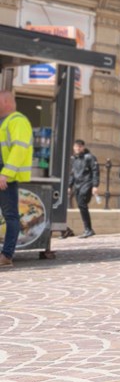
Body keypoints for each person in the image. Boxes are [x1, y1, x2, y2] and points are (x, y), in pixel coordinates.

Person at [0, 90, 32, 267]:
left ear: (6, 102)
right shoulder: (4, 123)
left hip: (5, 178)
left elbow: (19, 150)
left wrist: (6, 174)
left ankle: (6, 256)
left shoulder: (17, 121)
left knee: (10, 216)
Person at [69, 139, 100, 238]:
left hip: (87, 183)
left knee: (82, 203)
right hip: (77, 184)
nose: (77, 148)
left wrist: (95, 186)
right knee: (81, 206)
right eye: (76, 146)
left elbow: (95, 172)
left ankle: (88, 229)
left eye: (79, 146)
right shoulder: (74, 158)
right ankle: (88, 229)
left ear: (83, 147)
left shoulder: (90, 157)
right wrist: (69, 185)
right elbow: (72, 173)